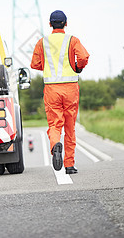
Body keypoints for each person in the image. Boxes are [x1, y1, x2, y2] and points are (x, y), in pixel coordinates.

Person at [30, 10, 89, 174]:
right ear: (66, 23)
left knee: (55, 125)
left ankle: (55, 144)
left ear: (50, 24)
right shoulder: (72, 40)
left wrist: (48, 66)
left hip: (51, 89)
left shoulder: (42, 42)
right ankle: (69, 165)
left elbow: (35, 64)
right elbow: (83, 57)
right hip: (70, 88)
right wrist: (78, 67)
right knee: (70, 127)